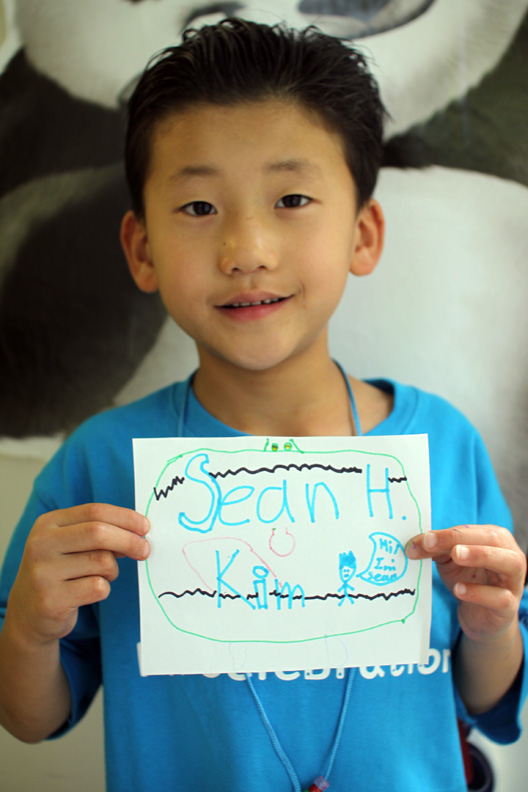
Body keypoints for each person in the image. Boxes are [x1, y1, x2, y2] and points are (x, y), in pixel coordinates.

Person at [0, 18, 526, 792]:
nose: (246, 249)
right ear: (142, 250)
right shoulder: (100, 464)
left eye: (292, 198)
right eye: (198, 207)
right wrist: (29, 630)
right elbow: (30, 717)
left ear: (363, 234)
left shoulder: (444, 443)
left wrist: (491, 628)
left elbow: (488, 697)